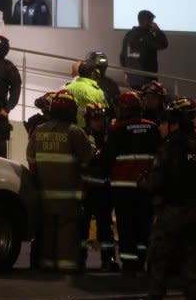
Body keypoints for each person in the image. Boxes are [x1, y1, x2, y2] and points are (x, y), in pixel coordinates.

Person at [139, 97, 196, 300]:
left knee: (160, 263)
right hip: (193, 212)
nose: (160, 128)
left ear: (173, 125)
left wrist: (142, 181)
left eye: (164, 124)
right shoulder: (194, 149)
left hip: (170, 214)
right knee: (191, 266)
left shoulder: (167, 151)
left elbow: (156, 182)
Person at [26, 90, 93, 272]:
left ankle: (45, 264)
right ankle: (67, 266)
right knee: (67, 231)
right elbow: (88, 158)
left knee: (46, 230)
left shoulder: (38, 131)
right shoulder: (75, 133)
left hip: (44, 196)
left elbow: (31, 159)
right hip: (69, 197)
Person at [104, 91, 161, 272]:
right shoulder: (153, 127)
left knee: (126, 225)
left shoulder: (117, 129)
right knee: (144, 224)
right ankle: (143, 260)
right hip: (146, 186)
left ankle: (129, 264)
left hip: (123, 187)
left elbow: (107, 158)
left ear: (124, 109)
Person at [80, 102, 119, 272]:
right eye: (95, 119)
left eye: (101, 118)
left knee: (105, 227)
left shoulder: (109, 136)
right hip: (87, 189)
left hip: (104, 189)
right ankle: (79, 259)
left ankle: (108, 259)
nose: (99, 122)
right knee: (82, 226)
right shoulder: (81, 135)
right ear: (88, 119)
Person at [120, 10, 168, 90]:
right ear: (146, 21)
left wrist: (126, 73)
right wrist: (158, 31)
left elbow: (122, 56)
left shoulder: (128, 35)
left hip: (133, 79)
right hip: (147, 80)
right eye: (151, 21)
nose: (153, 23)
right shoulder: (148, 37)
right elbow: (163, 44)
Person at [64, 60, 108, 128]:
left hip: (68, 128)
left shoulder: (66, 88)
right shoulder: (97, 92)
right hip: (86, 130)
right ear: (93, 74)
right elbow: (105, 111)